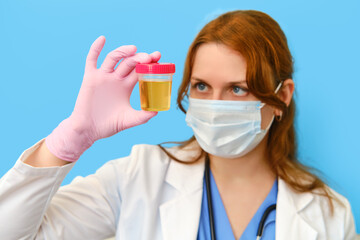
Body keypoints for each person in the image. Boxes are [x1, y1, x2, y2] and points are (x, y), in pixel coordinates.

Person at [0, 10, 357, 240]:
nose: (215, 106)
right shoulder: (138, 178)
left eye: (238, 89)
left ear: (282, 98)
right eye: (201, 86)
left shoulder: (328, 214)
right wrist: (71, 137)